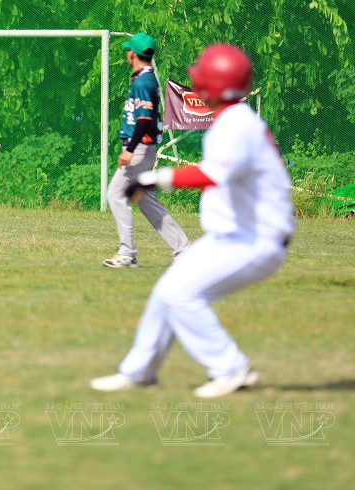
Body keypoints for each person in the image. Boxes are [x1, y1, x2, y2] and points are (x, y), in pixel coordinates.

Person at [90, 44, 295, 399]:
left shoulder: (235, 124)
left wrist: (151, 179)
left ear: (213, 85)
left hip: (256, 239)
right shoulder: (235, 120)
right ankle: (138, 371)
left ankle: (231, 368)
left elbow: (214, 174)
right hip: (234, 236)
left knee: (180, 294)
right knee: (165, 293)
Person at [104, 32, 190, 268]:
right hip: (143, 146)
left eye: (128, 50)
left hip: (139, 147)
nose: (126, 53)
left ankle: (127, 253)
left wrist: (130, 150)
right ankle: (184, 250)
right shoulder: (145, 79)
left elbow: (143, 118)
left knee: (116, 194)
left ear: (133, 54)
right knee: (144, 200)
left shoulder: (143, 82)